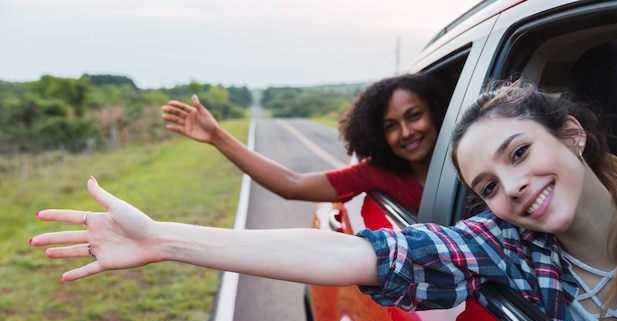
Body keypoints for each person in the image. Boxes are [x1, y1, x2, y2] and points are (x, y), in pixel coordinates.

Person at [31, 80, 617, 321]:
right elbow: (350, 252)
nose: (515, 187)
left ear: (572, 135)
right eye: (487, 187)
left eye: (520, 153)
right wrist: (162, 238)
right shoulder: (507, 245)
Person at [160, 73, 445, 212]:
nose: (407, 132)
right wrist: (216, 137)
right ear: (376, 134)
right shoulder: (377, 172)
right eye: (390, 126)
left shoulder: (469, 158)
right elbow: (292, 184)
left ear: (434, 111)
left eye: (414, 116)